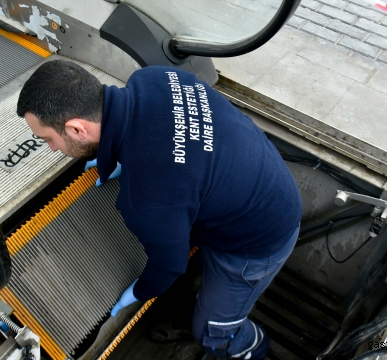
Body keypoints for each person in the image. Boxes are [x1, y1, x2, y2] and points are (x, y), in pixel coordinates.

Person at [16, 60, 302, 360]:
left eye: (48, 139)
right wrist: (122, 161)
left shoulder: (146, 199)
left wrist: (139, 291)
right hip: (265, 180)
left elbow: (170, 265)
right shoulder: (155, 77)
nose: (50, 148)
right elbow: (167, 136)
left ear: (77, 129)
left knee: (213, 334)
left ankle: (252, 348)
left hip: (258, 241)